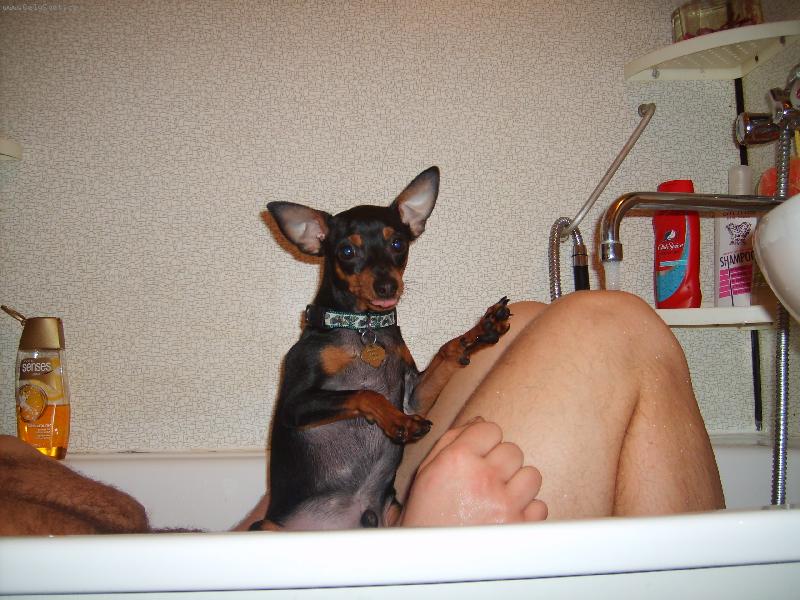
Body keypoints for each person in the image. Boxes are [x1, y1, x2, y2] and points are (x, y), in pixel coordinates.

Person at [0, 291, 724, 535]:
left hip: (245, 559)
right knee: (610, 329)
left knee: (529, 323)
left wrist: (300, 500)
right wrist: (423, 555)